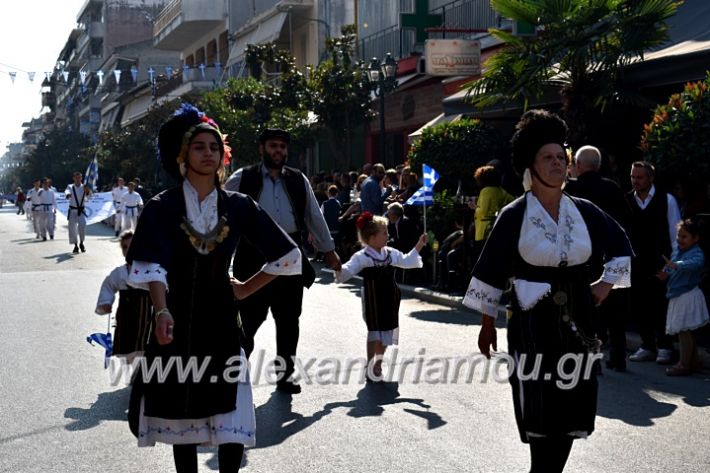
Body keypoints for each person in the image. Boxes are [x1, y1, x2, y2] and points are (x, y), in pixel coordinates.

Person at [125, 103, 300, 472]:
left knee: (231, 417)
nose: (208, 153)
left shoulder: (238, 206)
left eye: (214, 147)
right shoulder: (162, 207)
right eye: (200, 146)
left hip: (222, 323)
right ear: (183, 155)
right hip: (175, 324)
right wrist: (161, 310)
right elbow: (151, 265)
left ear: (223, 156)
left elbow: (288, 256)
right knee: (182, 418)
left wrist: (244, 289)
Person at [464, 110, 633, 473]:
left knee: (573, 405)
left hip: (579, 323)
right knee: (542, 410)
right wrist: (487, 322)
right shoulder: (514, 214)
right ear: (531, 164)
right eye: (548, 157)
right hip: (532, 323)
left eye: (561, 157)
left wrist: (604, 285)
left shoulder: (585, 211)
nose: (557, 164)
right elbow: (490, 268)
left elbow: (621, 247)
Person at [225, 128, 341, 394]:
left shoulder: (298, 180)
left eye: (282, 147)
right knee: (249, 319)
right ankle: (234, 375)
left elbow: (314, 216)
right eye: (273, 146)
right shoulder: (242, 178)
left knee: (289, 319)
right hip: (253, 255)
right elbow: (223, 214)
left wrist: (329, 251)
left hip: (289, 255)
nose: (278, 151)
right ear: (262, 149)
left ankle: (285, 376)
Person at [335, 212, 427, 381]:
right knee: (374, 331)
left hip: (390, 298)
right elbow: (346, 271)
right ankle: (370, 364)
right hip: (373, 299)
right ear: (371, 237)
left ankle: (378, 363)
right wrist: (337, 267)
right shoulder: (362, 256)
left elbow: (406, 261)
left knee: (386, 332)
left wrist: (419, 244)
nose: (388, 235)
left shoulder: (390, 253)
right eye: (384, 233)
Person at [565, 145, 633, 371]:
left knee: (587, 311)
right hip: (615, 255)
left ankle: (592, 361)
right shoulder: (613, 188)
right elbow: (626, 220)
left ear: (579, 165)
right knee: (617, 310)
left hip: (586, 258)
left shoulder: (572, 189)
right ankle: (619, 356)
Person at [626, 161, 682, 364]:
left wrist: (671, 265)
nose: (635, 181)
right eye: (633, 176)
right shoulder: (627, 201)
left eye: (639, 177)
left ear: (651, 178)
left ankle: (665, 346)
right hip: (636, 263)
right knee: (639, 305)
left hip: (660, 263)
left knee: (661, 306)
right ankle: (647, 344)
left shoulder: (667, 200)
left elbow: (676, 235)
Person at [657, 219, 709, 375]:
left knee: (684, 331)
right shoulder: (676, 251)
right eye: (679, 236)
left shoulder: (697, 253)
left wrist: (677, 265)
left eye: (684, 237)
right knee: (685, 331)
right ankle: (694, 362)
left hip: (687, 294)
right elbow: (672, 266)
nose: (680, 239)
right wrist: (665, 274)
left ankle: (683, 364)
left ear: (695, 238)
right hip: (678, 294)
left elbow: (694, 264)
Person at [95, 231, 152, 361]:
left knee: (146, 352)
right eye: (125, 247)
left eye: (132, 246)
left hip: (147, 321)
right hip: (127, 321)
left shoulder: (152, 270)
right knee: (129, 355)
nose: (128, 250)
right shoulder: (120, 273)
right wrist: (105, 303)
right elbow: (108, 286)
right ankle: (131, 377)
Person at [65, 171, 91, 254]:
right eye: (76, 177)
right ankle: (75, 245)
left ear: (81, 178)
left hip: (81, 210)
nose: (78, 179)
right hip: (72, 210)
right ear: (73, 178)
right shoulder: (70, 186)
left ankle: (81, 243)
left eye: (79, 177)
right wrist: (68, 194)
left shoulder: (84, 187)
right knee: (72, 228)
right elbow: (67, 191)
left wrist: (87, 191)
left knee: (82, 226)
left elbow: (89, 196)